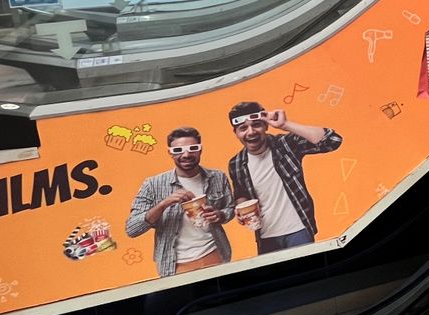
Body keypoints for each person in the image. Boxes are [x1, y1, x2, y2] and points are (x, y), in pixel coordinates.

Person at [226, 102, 342, 255]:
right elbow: (241, 193)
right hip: (266, 237)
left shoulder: (286, 145)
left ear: (266, 126)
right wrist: (241, 208)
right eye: (243, 128)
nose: (251, 132)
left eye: (256, 125)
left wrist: (285, 124)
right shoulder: (236, 163)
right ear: (235, 133)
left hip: (298, 230)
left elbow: (332, 140)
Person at [125, 126, 234, 277]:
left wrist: (220, 215)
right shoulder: (152, 184)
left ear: (200, 150)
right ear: (170, 153)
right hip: (174, 264)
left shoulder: (217, 177)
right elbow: (132, 229)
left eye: (193, 148)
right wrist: (164, 204)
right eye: (178, 150)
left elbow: (230, 208)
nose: (186, 154)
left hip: (215, 253)